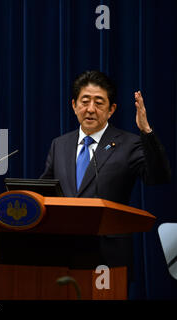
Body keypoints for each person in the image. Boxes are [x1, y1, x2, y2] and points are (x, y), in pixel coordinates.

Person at [39, 70, 171, 275]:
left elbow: (158, 177)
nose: (90, 109)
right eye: (85, 101)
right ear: (74, 106)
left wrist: (146, 132)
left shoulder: (129, 144)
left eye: (99, 103)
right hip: (63, 254)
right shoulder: (60, 145)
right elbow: (45, 191)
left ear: (111, 109)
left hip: (108, 256)